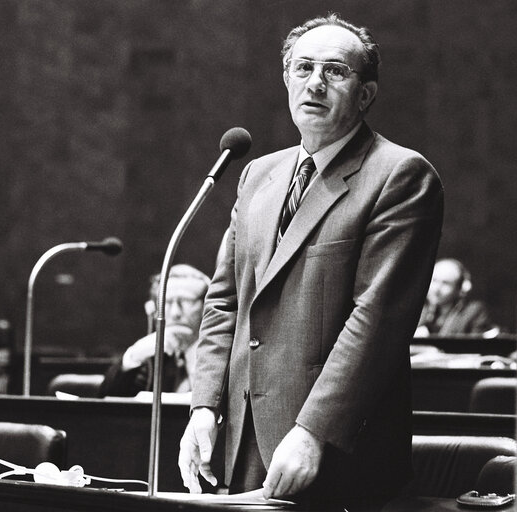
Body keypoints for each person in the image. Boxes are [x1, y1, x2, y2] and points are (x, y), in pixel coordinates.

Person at [177, 13, 444, 508]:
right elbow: (224, 303)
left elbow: (377, 321)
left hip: (335, 451)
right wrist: (202, 406)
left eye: (335, 71)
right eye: (302, 68)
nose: (315, 83)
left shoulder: (399, 175)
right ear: (286, 80)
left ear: (365, 94)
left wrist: (313, 431)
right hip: (241, 440)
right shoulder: (258, 173)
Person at [98, 264, 210, 397]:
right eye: (167, 302)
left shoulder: (221, 353)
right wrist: (134, 356)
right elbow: (106, 401)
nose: (175, 313)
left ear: (207, 307)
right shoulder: (153, 359)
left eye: (186, 301)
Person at [414, 258, 496, 337]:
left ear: (460, 288)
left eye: (445, 283)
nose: (436, 289)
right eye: (434, 280)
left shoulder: (474, 311)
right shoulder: (418, 309)